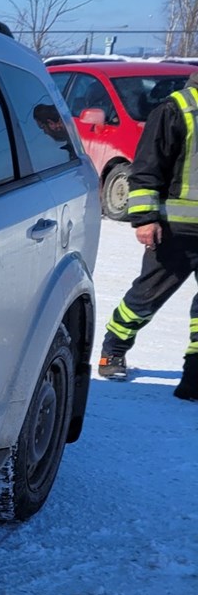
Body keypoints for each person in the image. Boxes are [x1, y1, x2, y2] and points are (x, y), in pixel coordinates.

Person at [98, 71, 198, 400]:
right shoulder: (176, 110)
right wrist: (145, 218)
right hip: (176, 229)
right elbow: (146, 169)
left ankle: (194, 377)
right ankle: (113, 349)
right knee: (146, 298)